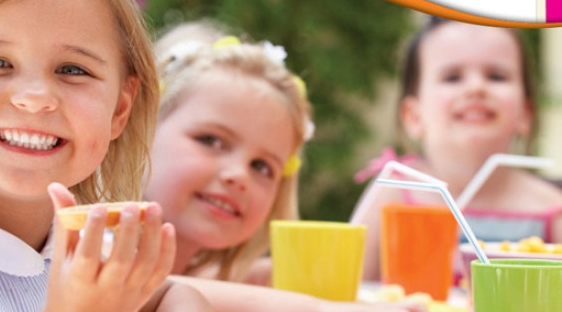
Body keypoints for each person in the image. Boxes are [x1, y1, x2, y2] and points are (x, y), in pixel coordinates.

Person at [0, 0, 213, 311]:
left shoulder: (91, 255)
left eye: (72, 70)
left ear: (119, 110)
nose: (35, 98)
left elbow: (173, 294)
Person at [144, 20, 427, 312]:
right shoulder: (100, 244)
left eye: (262, 167)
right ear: (140, 128)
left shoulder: (209, 276)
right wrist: (320, 308)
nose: (239, 175)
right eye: (211, 140)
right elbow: (159, 287)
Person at [351, 16, 562, 282]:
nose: (476, 88)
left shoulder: (552, 210)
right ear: (413, 116)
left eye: (496, 76)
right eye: (452, 77)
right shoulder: (395, 193)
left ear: (526, 113)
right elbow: (344, 290)